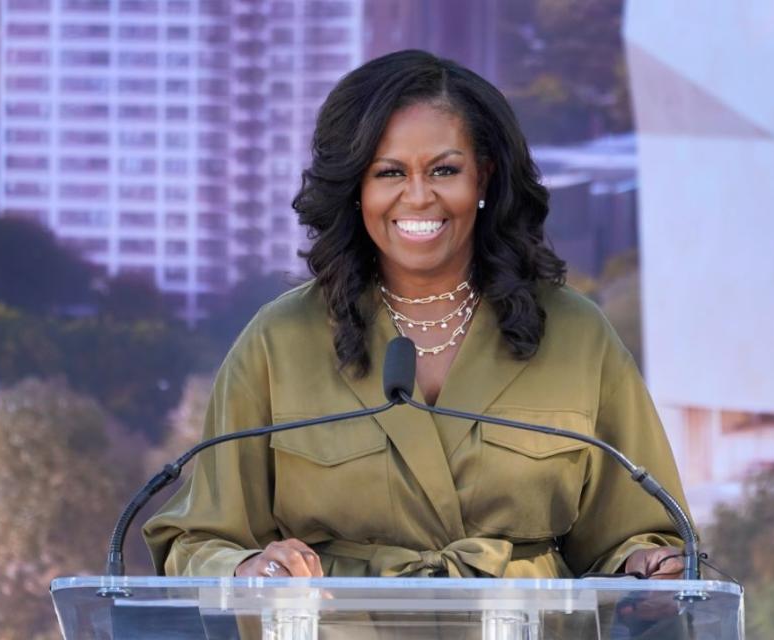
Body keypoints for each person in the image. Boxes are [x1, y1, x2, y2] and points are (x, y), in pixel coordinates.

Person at [143, 50, 690, 582]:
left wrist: (649, 565)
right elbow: (199, 541)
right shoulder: (279, 340)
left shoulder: (576, 333)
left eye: (444, 169)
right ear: (355, 188)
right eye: (389, 173)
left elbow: (641, 533)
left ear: (484, 178)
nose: (419, 196)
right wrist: (247, 568)